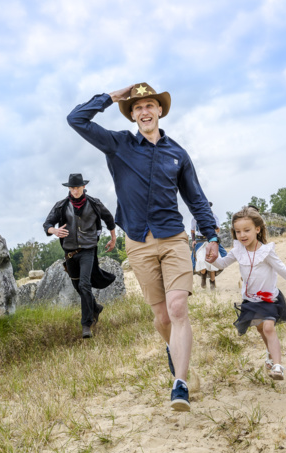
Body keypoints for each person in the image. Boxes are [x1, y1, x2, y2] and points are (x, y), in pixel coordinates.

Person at [67, 82, 219, 411]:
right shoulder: (118, 144)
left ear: (160, 110)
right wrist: (110, 98)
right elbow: (76, 119)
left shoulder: (177, 153)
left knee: (178, 308)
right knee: (163, 316)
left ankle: (180, 383)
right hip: (138, 243)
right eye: (137, 107)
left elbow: (195, 198)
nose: (144, 111)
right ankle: (173, 348)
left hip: (174, 239)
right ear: (132, 115)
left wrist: (212, 235)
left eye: (150, 105)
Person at [207, 206, 286, 380]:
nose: (242, 235)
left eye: (246, 230)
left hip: (269, 298)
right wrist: (213, 259)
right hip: (250, 300)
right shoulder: (238, 249)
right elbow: (223, 264)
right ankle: (270, 354)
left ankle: (278, 366)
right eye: (238, 231)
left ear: (257, 229)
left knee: (269, 328)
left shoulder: (266, 251)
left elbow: (283, 269)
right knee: (262, 330)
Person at [43, 173, 117, 339]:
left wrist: (113, 238)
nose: (75, 191)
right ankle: (96, 307)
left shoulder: (94, 203)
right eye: (72, 188)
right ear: (69, 189)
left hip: (88, 250)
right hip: (69, 253)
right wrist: (53, 230)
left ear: (84, 187)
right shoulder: (61, 206)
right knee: (78, 287)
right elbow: (47, 224)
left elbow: (109, 219)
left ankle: (86, 324)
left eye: (77, 187)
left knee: (84, 284)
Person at [191, 202, 227, 290]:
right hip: (200, 241)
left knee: (212, 262)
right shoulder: (195, 218)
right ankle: (203, 277)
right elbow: (192, 230)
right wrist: (193, 240)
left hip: (211, 240)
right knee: (201, 261)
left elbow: (217, 230)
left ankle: (212, 282)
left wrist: (212, 224)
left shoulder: (214, 217)